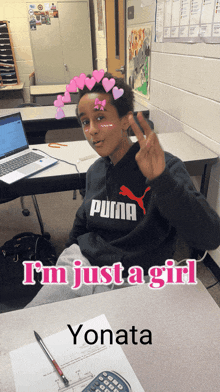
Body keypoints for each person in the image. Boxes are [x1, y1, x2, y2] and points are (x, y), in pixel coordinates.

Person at [26, 72, 220, 307]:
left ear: (126, 121)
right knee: (33, 323)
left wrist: (161, 180)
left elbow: (209, 237)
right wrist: (68, 257)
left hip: (138, 277)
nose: (92, 130)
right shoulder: (95, 171)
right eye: (85, 121)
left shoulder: (164, 167)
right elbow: (82, 222)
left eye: (100, 118)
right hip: (84, 266)